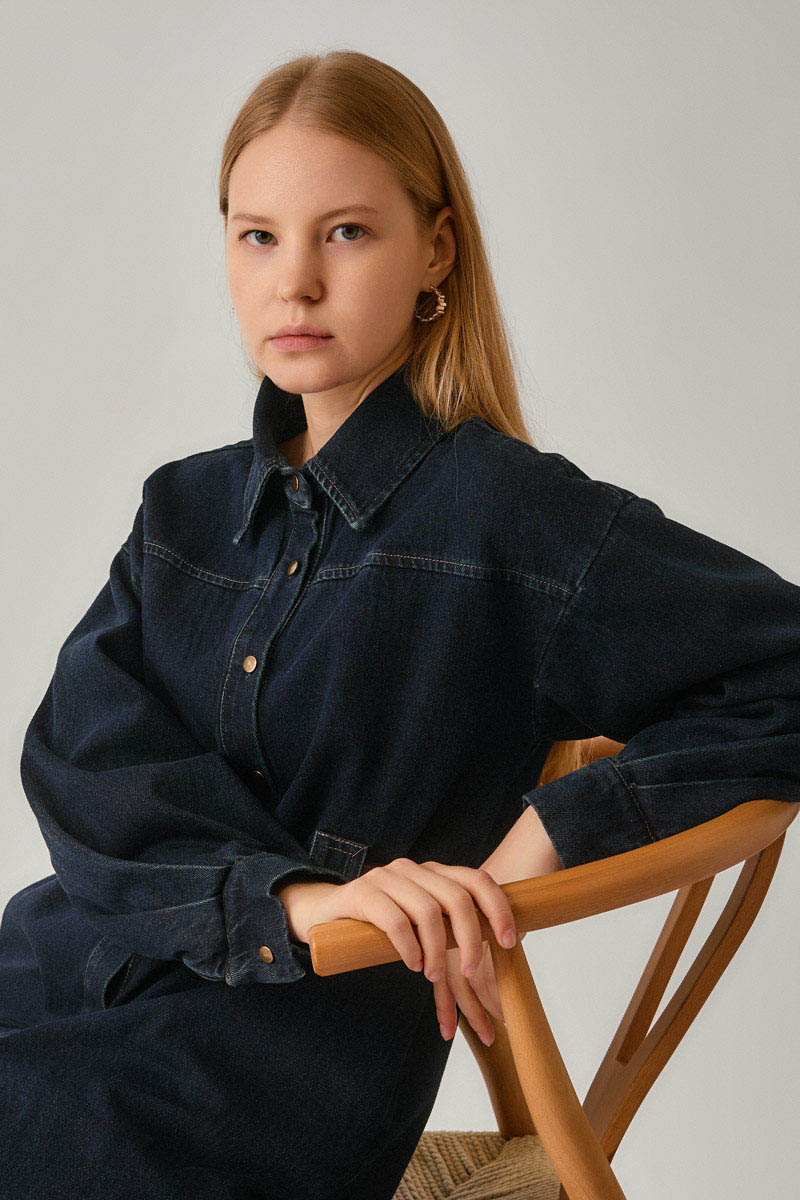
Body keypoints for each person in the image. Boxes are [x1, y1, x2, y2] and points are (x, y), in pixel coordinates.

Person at [1, 47, 799, 1200]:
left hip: (259, 1076)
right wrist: (289, 897)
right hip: (61, 977)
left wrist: (533, 848)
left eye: (345, 232)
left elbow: (779, 669)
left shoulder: (506, 519)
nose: (294, 284)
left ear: (434, 249)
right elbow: (85, 764)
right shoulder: (181, 513)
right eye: (257, 235)